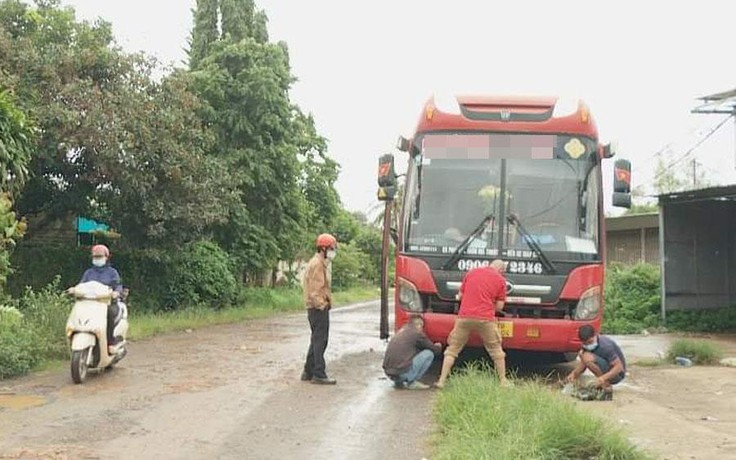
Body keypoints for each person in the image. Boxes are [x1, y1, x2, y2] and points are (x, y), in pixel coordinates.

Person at [435, 259, 510, 388]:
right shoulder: (500, 280)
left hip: (464, 317)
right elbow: (499, 307)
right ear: (501, 270)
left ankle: (441, 381)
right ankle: (503, 381)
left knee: (452, 350)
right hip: (485, 319)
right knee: (496, 351)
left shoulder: (472, 273)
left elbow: (460, 295)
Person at [69, 244, 124, 355]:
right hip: (88, 303)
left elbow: (118, 285)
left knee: (110, 314)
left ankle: (110, 343)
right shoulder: (89, 273)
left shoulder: (112, 272)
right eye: (95, 256)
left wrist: (116, 292)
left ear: (107, 257)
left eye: (100, 256)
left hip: (106, 303)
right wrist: (74, 289)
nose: (97, 259)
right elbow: (81, 285)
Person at [301, 233, 338, 385]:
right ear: (323, 248)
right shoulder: (317, 265)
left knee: (316, 339)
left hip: (315, 307)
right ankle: (319, 373)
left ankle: (308, 371)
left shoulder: (319, 263)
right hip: (317, 308)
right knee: (320, 341)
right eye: (331, 248)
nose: (333, 251)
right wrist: (322, 305)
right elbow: (315, 290)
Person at [565, 325, 626, 400]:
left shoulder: (606, 346)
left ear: (595, 335)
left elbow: (619, 367)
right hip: (606, 369)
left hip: (617, 374)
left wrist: (602, 379)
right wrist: (574, 374)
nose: (588, 345)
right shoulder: (586, 346)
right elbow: (584, 363)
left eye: (590, 342)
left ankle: (606, 387)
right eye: (585, 343)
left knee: (586, 356)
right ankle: (603, 384)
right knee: (583, 355)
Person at [383, 315, 442, 390]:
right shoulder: (417, 333)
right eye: (422, 327)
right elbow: (435, 350)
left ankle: (398, 382)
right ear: (419, 325)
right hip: (402, 373)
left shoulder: (402, 331)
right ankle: (412, 382)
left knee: (407, 355)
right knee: (429, 353)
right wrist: (438, 346)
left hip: (389, 373)